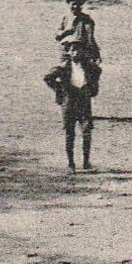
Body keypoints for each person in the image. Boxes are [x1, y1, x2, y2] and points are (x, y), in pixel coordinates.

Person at [45, 37, 97, 171]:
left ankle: (86, 162)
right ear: (68, 52)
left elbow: (97, 73)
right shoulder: (63, 67)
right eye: (73, 50)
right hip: (69, 103)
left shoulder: (88, 66)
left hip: (84, 102)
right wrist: (59, 90)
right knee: (70, 133)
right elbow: (48, 78)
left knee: (87, 131)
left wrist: (92, 88)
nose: (76, 53)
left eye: (79, 50)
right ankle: (71, 163)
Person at [56, 0, 101, 65]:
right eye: (73, 4)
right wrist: (66, 31)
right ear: (69, 4)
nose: (76, 6)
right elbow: (57, 36)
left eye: (79, 4)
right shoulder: (65, 18)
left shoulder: (86, 19)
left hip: (79, 48)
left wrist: (96, 53)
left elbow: (90, 38)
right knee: (62, 71)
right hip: (64, 49)